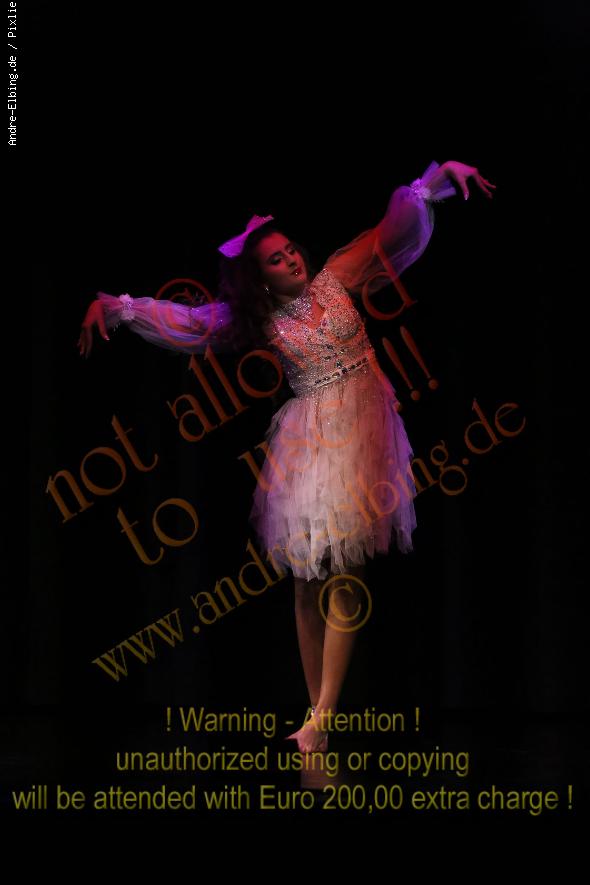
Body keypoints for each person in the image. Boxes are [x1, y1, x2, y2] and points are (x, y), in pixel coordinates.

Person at [77, 160, 495, 753]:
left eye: (290, 250)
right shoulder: (261, 319)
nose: (292, 260)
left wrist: (435, 182)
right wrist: (117, 306)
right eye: (276, 260)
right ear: (260, 278)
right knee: (305, 580)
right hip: (308, 441)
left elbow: (391, 233)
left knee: (346, 569)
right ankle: (313, 714)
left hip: (363, 428)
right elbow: (189, 323)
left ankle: (323, 716)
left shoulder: (335, 278)